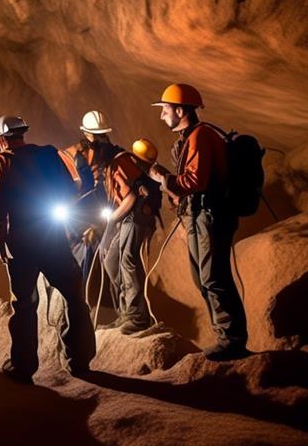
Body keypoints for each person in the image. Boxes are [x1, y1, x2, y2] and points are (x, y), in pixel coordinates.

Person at [0, 115, 95, 383]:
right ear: (22, 135)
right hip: (52, 236)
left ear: (1, 140)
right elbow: (70, 189)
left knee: (24, 304)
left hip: (21, 242)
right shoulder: (47, 155)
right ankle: (79, 360)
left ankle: (23, 368)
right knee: (73, 294)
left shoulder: (1, 161)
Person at [148, 84, 248, 361]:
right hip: (197, 216)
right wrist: (169, 180)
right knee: (202, 278)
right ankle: (225, 336)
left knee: (213, 276)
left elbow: (196, 181)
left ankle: (233, 339)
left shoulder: (201, 136)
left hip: (211, 216)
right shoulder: (188, 138)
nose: (162, 115)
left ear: (180, 110)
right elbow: (191, 181)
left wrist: (162, 180)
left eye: (166, 110)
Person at [98, 138, 161, 334]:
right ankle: (125, 312)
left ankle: (137, 317)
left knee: (127, 260)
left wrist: (112, 220)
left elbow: (132, 197)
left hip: (136, 217)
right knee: (111, 260)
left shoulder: (119, 163)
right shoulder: (116, 164)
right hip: (131, 218)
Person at [64, 111, 123, 280]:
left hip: (100, 206)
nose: (97, 139)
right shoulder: (77, 154)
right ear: (85, 133)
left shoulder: (110, 153)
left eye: (100, 135)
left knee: (98, 244)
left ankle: (93, 284)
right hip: (81, 206)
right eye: (93, 135)